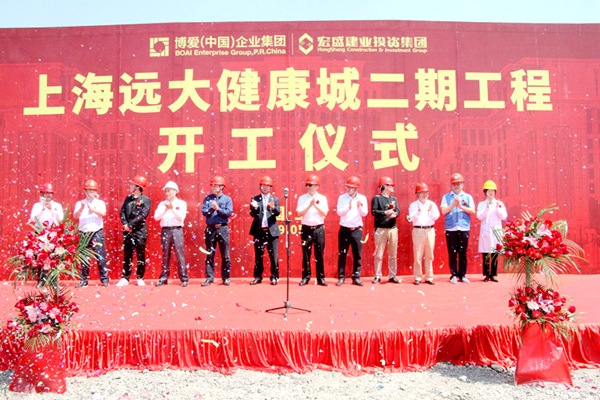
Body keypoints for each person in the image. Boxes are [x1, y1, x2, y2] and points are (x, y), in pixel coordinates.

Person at [73, 179, 110, 287]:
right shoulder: (80, 203)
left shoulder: (100, 203)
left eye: (93, 190)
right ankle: (84, 280)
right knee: (84, 257)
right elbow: (75, 216)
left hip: (96, 232)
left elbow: (103, 213)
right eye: (89, 190)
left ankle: (104, 279)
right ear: (85, 191)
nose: (91, 192)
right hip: (84, 233)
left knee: (100, 256)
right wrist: (81, 208)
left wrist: (92, 209)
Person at [440, 173, 476, 284]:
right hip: (451, 228)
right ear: (451, 185)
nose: (457, 186)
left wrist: (461, 206)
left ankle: (463, 275)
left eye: (459, 184)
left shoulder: (468, 197)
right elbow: (443, 211)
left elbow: (472, 211)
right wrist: (453, 205)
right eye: (454, 184)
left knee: (463, 252)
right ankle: (453, 275)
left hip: (463, 227)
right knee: (452, 252)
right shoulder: (446, 197)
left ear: (462, 184)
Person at [116, 176, 151, 287]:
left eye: (132, 184)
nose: (130, 186)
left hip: (140, 231)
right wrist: (125, 224)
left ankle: (140, 277)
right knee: (127, 254)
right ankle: (125, 277)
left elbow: (143, 215)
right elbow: (122, 212)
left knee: (140, 254)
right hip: (127, 231)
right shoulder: (128, 198)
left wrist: (130, 225)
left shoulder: (146, 200)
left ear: (137, 187)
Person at [154, 181, 189, 287]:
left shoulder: (182, 203)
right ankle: (163, 278)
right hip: (165, 230)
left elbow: (181, 217)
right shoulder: (162, 204)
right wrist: (165, 209)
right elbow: (156, 217)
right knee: (165, 255)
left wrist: (172, 208)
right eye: (166, 191)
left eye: (169, 190)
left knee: (180, 254)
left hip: (177, 230)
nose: (167, 193)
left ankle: (184, 278)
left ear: (175, 191)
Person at [296, 174, 329, 286]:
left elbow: (324, 213)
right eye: (307, 185)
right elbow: (299, 213)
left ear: (317, 186)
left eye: (311, 185)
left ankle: (321, 278)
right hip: (306, 229)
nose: (308, 187)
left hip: (319, 229)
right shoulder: (302, 198)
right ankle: (306, 277)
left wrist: (315, 205)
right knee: (306, 254)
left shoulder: (322, 198)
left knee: (319, 254)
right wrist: (309, 205)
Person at [336, 176, 368, 286]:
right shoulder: (342, 198)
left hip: (356, 230)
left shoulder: (362, 198)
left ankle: (356, 277)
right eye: (347, 187)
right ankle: (341, 277)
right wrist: (348, 208)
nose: (349, 189)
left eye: (351, 187)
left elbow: (365, 213)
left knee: (357, 254)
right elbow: (339, 212)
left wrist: (359, 207)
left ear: (356, 188)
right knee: (342, 254)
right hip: (344, 229)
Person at [201, 175, 233, 286]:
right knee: (209, 254)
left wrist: (218, 209)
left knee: (225, 255)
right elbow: (204, 212)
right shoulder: (207, 199)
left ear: (222, 187)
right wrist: (212, 209)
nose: (213, 188)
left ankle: (226, 278)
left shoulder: (227, 199)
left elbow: (228, 213)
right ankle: (209, 278)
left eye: (216, 185)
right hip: (211, 229)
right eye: (212, 185)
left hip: (223, 228)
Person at [249, 176, 281, 285]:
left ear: (271, 187)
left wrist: (272, 207)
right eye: (263, 185)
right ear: (260, 187)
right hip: (259, 232)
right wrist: (255, 208)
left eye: (267, 186)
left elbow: (278, 213)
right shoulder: (255, 199)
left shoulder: (275, 199)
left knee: (274, 256)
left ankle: (274, 277)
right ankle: (258, 277)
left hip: (272, 232)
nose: (265, 187)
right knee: (258, 256)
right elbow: (252, 214)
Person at [407, 182, 440, 285]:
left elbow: (436, 216)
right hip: (418, 230)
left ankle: (429, 277)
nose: (424, 195)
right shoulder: (413, 205)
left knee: (429, 254)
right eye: (421, 193)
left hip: (429, 230)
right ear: (417, 194)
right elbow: (411, 218)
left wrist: (430, 212)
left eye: (426, 192)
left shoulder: (432, 204)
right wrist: (418, 212)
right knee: (418, 254)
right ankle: (417, 277)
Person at [371, 176, 401, 284]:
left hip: (392, 229)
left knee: (393, 254)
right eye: (390, 185)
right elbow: (374, 211)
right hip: (381, 229)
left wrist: (395, 214)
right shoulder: (377, 198)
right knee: (379, 254)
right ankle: (377, 275)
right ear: (384, 186)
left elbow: (398, 211)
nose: (392, 187)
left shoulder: (394, 199)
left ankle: (392, 275)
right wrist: (385, 212)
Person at [476, 180, 507, 282]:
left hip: (495, 232)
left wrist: (498, 209)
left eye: (493, 191)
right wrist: (486, 209)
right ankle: (486, 275)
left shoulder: (499, 203)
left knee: (494, 253)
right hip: (485, 232)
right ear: (485, 192)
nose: (491, 193)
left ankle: (493, 274)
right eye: (489, 191)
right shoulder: (481, 204)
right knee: (486, 253)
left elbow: (504, 216)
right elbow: (479, 216)